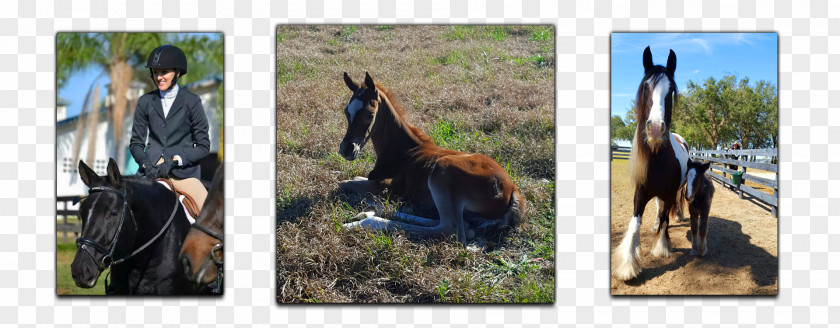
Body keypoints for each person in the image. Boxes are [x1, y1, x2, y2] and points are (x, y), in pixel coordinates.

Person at [129, 44, 210, 210]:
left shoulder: (192, 101)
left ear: (177, 73)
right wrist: (145, 163)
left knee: (208, 215)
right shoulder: (145, 101)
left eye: (164, 72)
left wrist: (176, 160)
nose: (159, 77)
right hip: (151, 173)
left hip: (183, 174)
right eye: (156, 72)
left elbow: (203, 146)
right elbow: (136, 143)